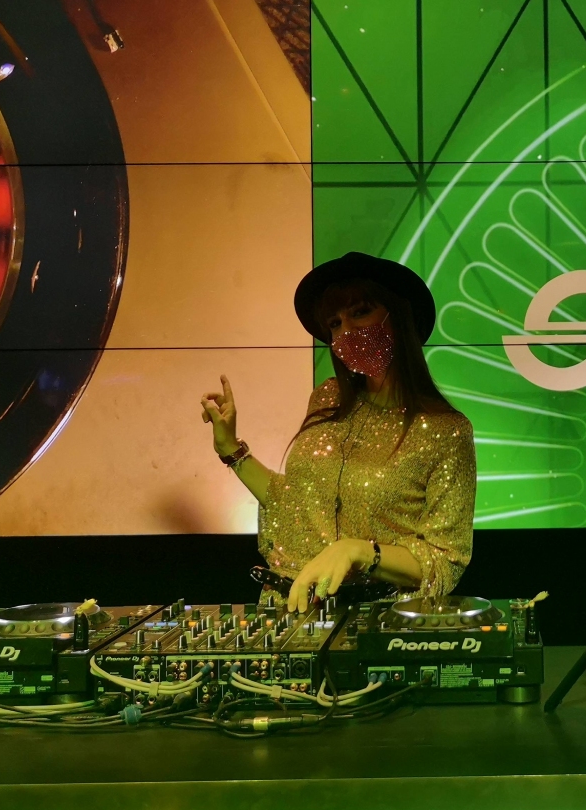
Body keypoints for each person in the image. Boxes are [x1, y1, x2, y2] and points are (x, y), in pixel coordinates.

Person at [200, 252, 475, 610]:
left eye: (360, 312)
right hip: (290, 608)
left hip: (373, 618)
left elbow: (443, 561)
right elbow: (295, 502)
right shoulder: (328, 398)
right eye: (334, 323)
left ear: (398, 317)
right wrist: (230, 449)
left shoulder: (446, 431)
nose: (345, 332)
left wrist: (360, 551)